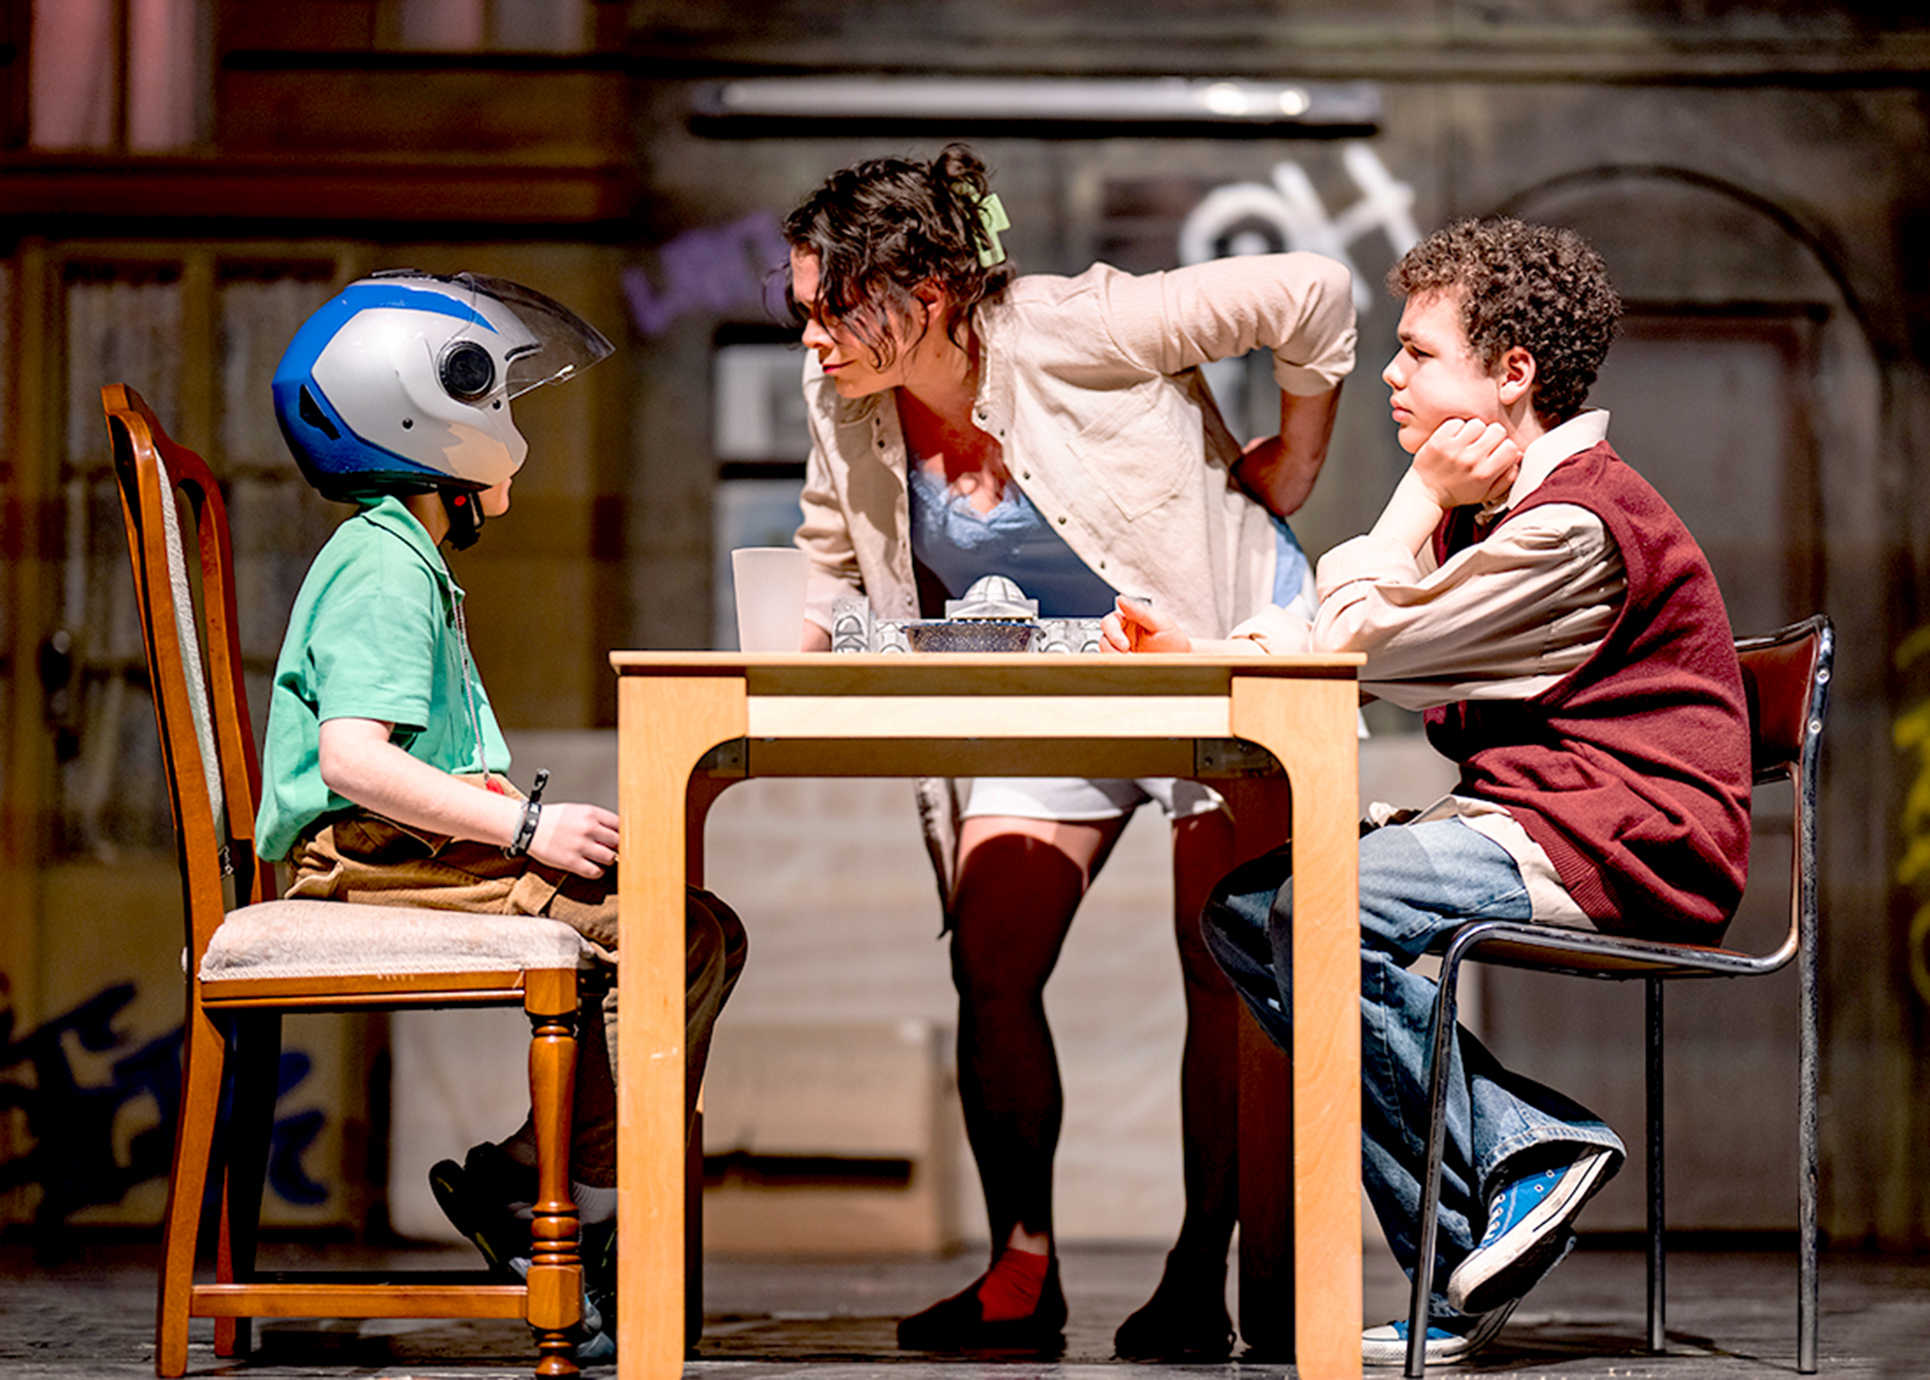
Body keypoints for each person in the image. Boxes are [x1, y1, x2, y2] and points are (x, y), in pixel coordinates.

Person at [1103, 216, 1753, 1366]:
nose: (1390, 375)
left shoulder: (1570, 526)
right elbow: (1320, 634)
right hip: (1546, 817)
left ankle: (1525, 1154)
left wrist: (1411, 496)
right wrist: (1202, 650)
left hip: (1623, 839)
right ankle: (1473, 1247)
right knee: (1246, 914)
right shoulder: (1510, 510)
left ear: (1510, 376)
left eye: (1416, 352)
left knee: (1303, 912)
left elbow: (1356, 649)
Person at [783, 145, 1356, 1358]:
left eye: (831, 308)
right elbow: (833, 549)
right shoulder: (839, 392)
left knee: (1224, 964)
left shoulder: (1074, 324)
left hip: (1210, 647)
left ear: (922, 296)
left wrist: (1295, 461)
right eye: (802, 312)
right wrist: (785, 665)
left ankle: (1200, 1276)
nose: (814, 338)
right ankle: (1017, 1276)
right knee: (991, 957)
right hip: (1050, 682)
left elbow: (1313, 289)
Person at [255, 270, 748, 1361]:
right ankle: (608, 1221)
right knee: (672, 931)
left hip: (400, 850)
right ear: (421, 409)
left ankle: (526, 1175)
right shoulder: (385, 564)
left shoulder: (402, 555)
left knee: (699, 923)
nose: (509, 427)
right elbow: (355, 762)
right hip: (363, 859)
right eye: (496, 400)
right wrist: (527, 835)